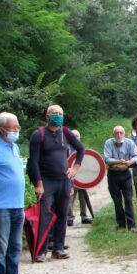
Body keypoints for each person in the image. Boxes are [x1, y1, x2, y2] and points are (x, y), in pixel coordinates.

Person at [0, 112, 35, 274]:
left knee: (15, 247)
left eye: (18, 127)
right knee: (0, 249)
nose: (16, 130)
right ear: (1, 129)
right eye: (13, 127)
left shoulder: (14, 147)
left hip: (17, 204)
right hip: (0, 206)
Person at [27, 104, 84, 262]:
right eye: (54, 113)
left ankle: (58, 248)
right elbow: (33, 162)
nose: (57, 116)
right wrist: (38, 184)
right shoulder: (39, 135)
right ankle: (41, 250)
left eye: (60, 113)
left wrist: (75, 169)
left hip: (63, 181)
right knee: (45, 215)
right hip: (46, 181)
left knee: (62, 215)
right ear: (47, 116)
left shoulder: (65, 132)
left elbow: (81, 149)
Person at [103, 126, 137, 231]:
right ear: (113, 134)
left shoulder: (129, 143)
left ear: (124, 134)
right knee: (117, 201)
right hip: (113, 174)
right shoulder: (108, 143)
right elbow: (107, 159)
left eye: (121, 133)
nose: (119, 135)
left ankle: (132, 225)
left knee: (128, 199)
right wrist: (118, 161)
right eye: (116, 133)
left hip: (125, 173)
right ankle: (121, 225)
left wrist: (130, 162)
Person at [67, 129, 92, 226]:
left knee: (83, 197)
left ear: (80, 137)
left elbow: (88, 162)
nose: (75, 137)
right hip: (71, 178)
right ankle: (69, 217)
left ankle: (84, 216)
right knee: (70, 198)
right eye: (73, 135)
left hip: (83, 178)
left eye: (77, 136)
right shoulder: (66, 148)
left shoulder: (82, 148)